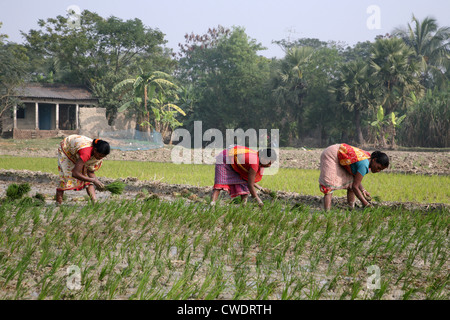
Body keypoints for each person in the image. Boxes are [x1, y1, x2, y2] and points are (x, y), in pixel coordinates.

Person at [318, 143, 389, 211]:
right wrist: (365, 203)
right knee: (329, 185)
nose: (378, 170)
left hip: (340, 157)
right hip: (332, 154)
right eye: (378, 167)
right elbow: (355, 186)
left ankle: (351, 209)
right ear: (374, 160)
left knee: (351, 184)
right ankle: (327, 213)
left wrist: (363, 190)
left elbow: (355, 181)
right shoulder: (364, 165)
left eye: (380, 170)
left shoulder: (367, 160)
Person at [211, 145, 276, 208]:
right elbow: (250, 184)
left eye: (271, 163)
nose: (269, 165)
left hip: (234, 163)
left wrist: (261, 188)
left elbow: (248, 179)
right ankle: (212, 205)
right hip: (224, 158)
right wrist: (259, 201)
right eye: (269, 162)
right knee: (219, 184)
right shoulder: (254, 163)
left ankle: (243, 207)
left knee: (243, 184)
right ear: (263, 158)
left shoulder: (257, 160)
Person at [56, 134, 110, 204]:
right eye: (99, 155)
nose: (100, 158)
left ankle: (95, 202)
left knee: (86, 177)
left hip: (78, 150)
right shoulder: (86, 153)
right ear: (95, 150)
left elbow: (90, 172)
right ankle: (58, 204)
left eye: (103, 157)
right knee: (66, 177)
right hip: (67, 148)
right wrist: (93, 180)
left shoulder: (95, 153)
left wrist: (97, 181)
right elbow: (75, 173)